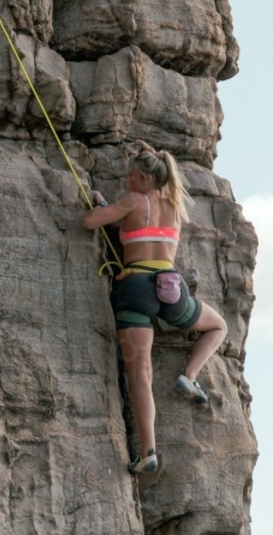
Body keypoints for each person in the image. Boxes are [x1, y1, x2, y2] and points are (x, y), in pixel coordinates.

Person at [82, 141, 227, 474]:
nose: (126, 179)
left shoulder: (135, 200)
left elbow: (90, 222)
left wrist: (104, 206)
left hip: (135, 289)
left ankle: (149, 451)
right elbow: (170, 174)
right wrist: (153, 153)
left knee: (140, 376)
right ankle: (190, 375)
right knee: (218, 325)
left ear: (147, 180)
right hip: (170, 290)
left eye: (132, 175)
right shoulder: (174, 203)